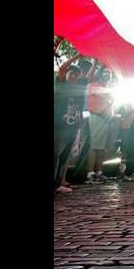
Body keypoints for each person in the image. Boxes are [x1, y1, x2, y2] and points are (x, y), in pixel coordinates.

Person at [54, 54, 93, 193]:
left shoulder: (78, 89)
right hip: (58, 125)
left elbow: (88, 77)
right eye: (72, 74)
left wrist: (97, 62)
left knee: (64, 156)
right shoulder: (61, 84)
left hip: (73, 126)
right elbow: (63, 68)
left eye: (76, 75)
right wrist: (76, 56)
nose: (74, 77)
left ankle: (58, 184)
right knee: (55, 153)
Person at [85, 68, 114, 183]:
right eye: (105, 72)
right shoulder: (94, 85)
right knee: (94, 146)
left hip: (106, 120)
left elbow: (111, 102)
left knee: (101, 148)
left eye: (110, 73)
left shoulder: (109, 88)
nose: (107, 74)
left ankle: (99, 172)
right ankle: (90, 173)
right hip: (97, 117)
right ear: (100, 74)